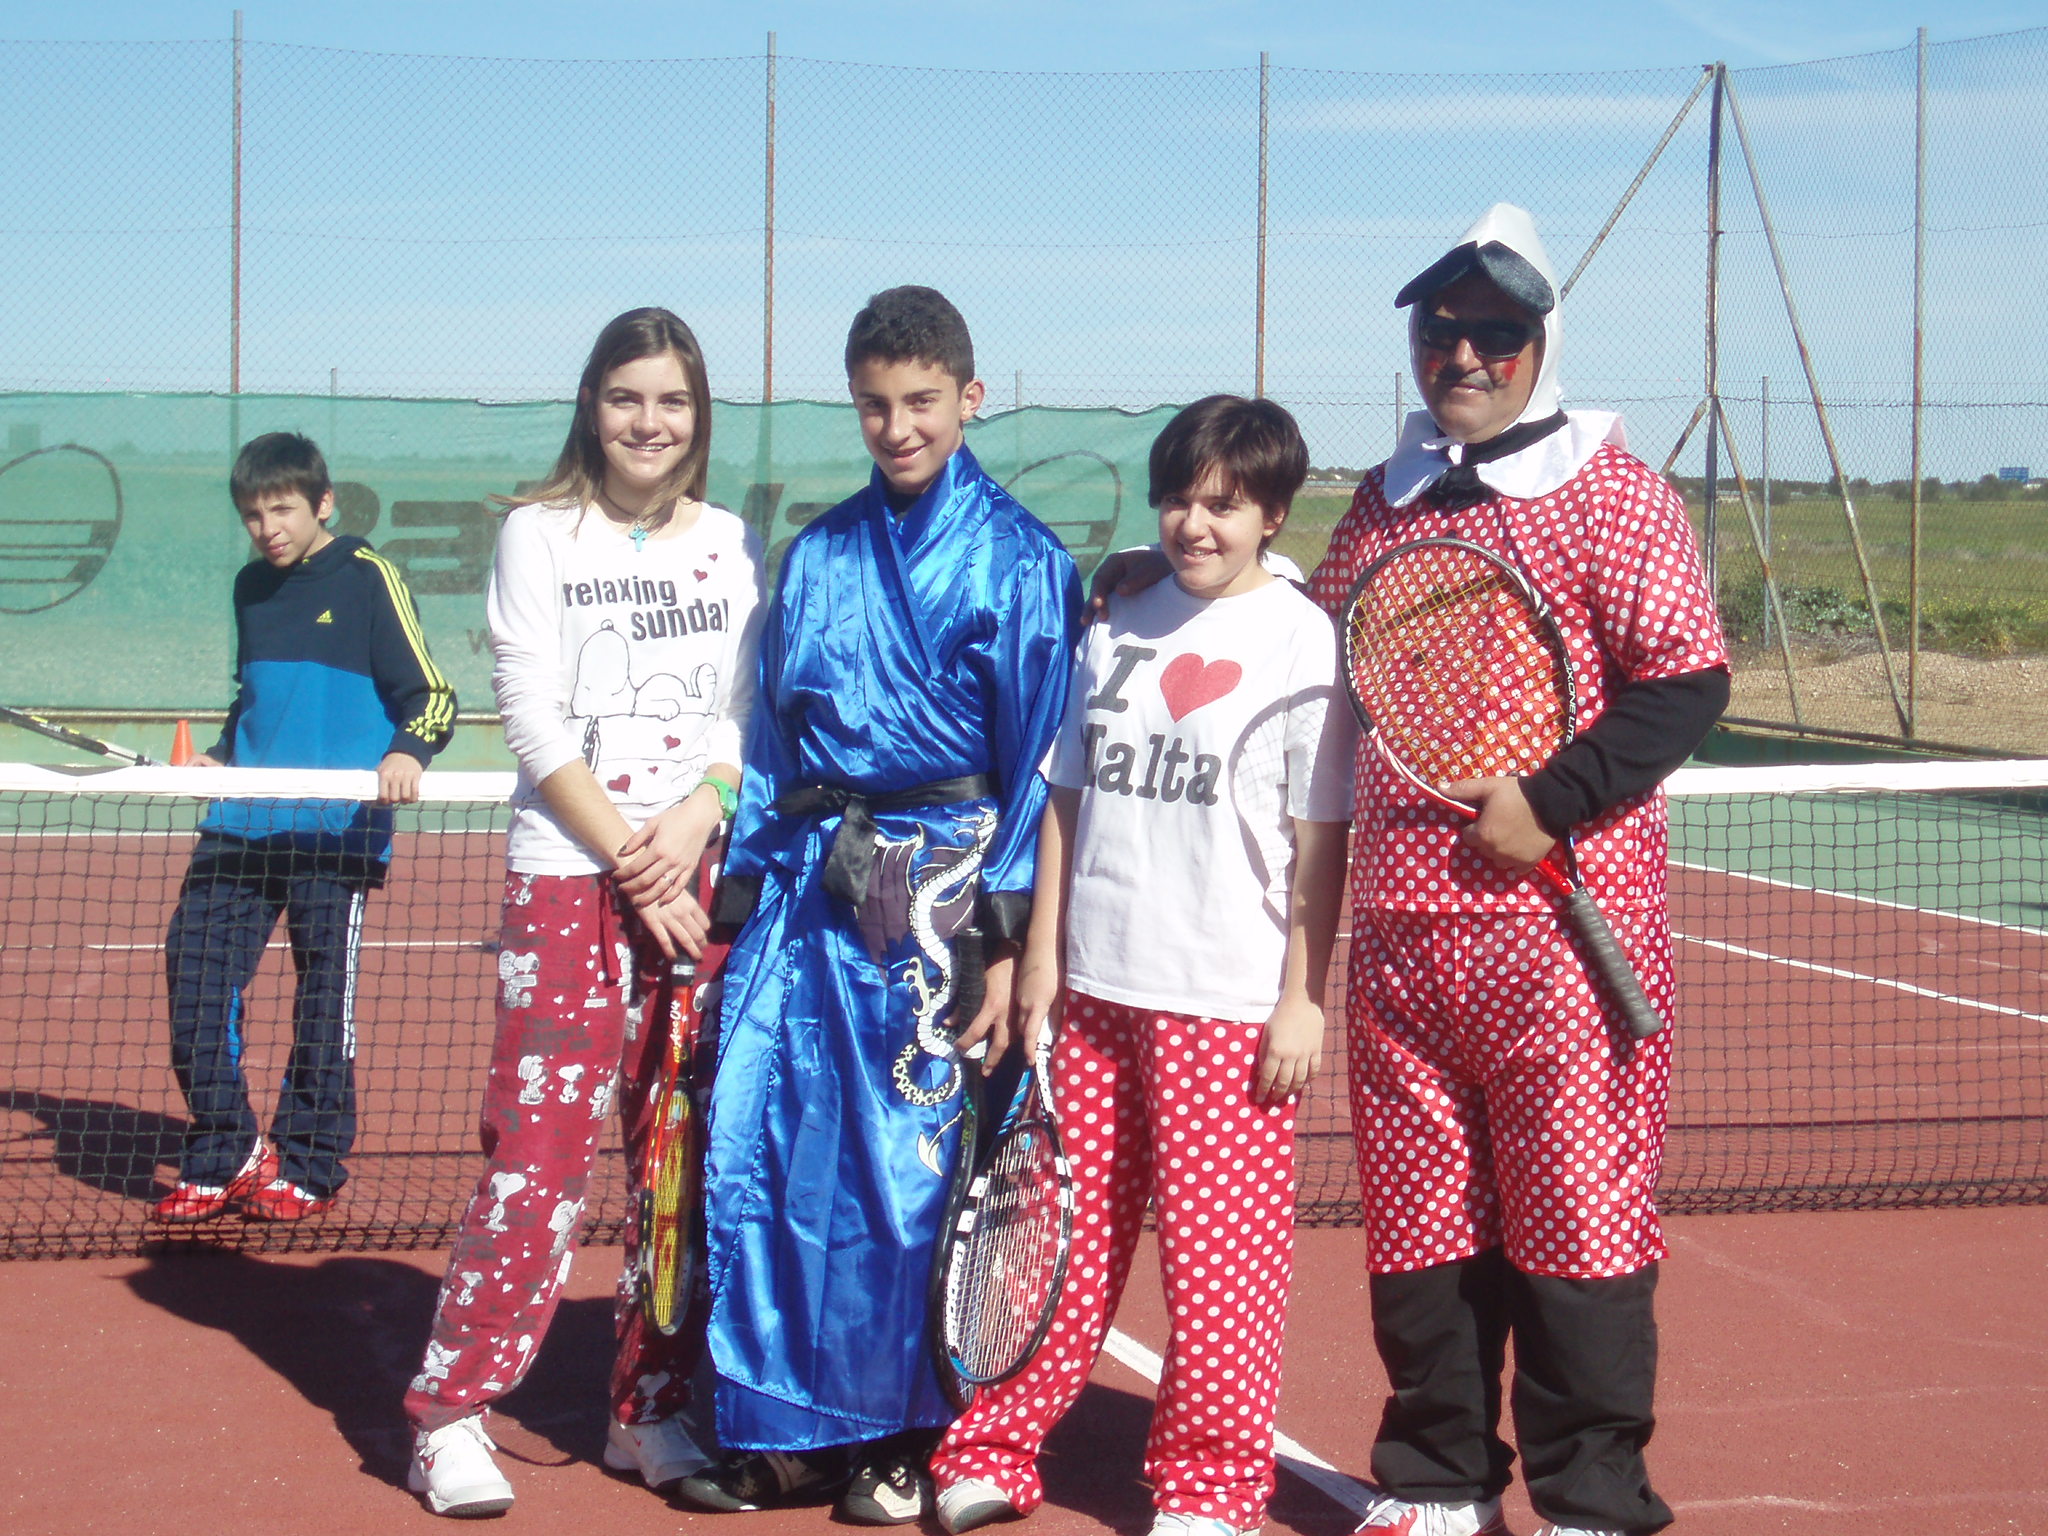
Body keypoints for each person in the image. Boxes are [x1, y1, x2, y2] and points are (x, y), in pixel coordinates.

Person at [1314, 205, 1729, 1536]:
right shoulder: (1380, 505)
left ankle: (1593, 1494)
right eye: (1441, 331)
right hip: (1399, 947)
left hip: (1561, 948)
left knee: (1577, 1226)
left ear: (1543, 343)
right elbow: (1313, 653)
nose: (1463, 356)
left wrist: (1551, 802)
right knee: (1420, 1230)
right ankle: (1436, 1479)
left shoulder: (1615, 493)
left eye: (1495, 333)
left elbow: (1686, 680)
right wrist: (1173, 579)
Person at [677, 286, 1080, 1525]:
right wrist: (745, 888)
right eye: (872, 405)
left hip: (942, 900)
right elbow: (772, 736)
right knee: (776, 1147)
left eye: (919, 402)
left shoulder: (1022, 560)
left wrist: (1004, 936)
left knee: (916, 1174)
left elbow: (1040, 764)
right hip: (813, 894)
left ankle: (909, 1431)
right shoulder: (819, 555)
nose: (896, 428)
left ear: (969, 397)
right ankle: (787, 1425)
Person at [928, 395, 1355, 1536]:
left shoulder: (1299, 638)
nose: (1192, 525)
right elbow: (1066, 797)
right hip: (1092, 996)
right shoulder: (1114, 617)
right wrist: (1042, 960)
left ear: (1271, 513)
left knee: (1220, 1275)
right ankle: (992, 1449)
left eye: (1222, 505)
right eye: (1176, 500)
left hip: (1224, 1005)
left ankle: (1209, 1491)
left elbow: (1319, 839)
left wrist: (1301, 999)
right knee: (1051, 1249)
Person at [401, 308, 763, 1518]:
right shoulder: (537, 533)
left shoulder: (729, 542)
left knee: (677, 1159)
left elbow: (737, 711)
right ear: (591, 408)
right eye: (626, 399)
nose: (648, 423)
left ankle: (644, 1408)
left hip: (695, 874)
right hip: (570, 876)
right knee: (539, 1157)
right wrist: (629, 862)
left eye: (671, 401)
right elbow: (530, 714)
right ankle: (450, 1413)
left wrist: (702, 813)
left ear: (697, 416)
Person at [156, 430, 455, 1226]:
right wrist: (224, 754)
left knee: (324, 1001)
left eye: (282, 509)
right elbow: (255, 699)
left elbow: (432, 695)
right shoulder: (250, 588)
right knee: (193, 975)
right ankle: (226, 1147)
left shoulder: (369, 577)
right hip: (241, 823)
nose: (268, 528)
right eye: (253, 515)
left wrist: (409, 751)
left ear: (323, 504)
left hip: (335, 830)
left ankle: (312, 1159)